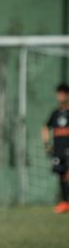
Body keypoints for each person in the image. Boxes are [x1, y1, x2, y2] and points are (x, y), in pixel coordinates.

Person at [42, 83, 69, 213]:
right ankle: (64, 203)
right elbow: (45, 128)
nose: (61, 96)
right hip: (58, 151)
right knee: (62, 175)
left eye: (63, 93)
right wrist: (47, 145)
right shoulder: (55, 113)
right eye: (59, 93)